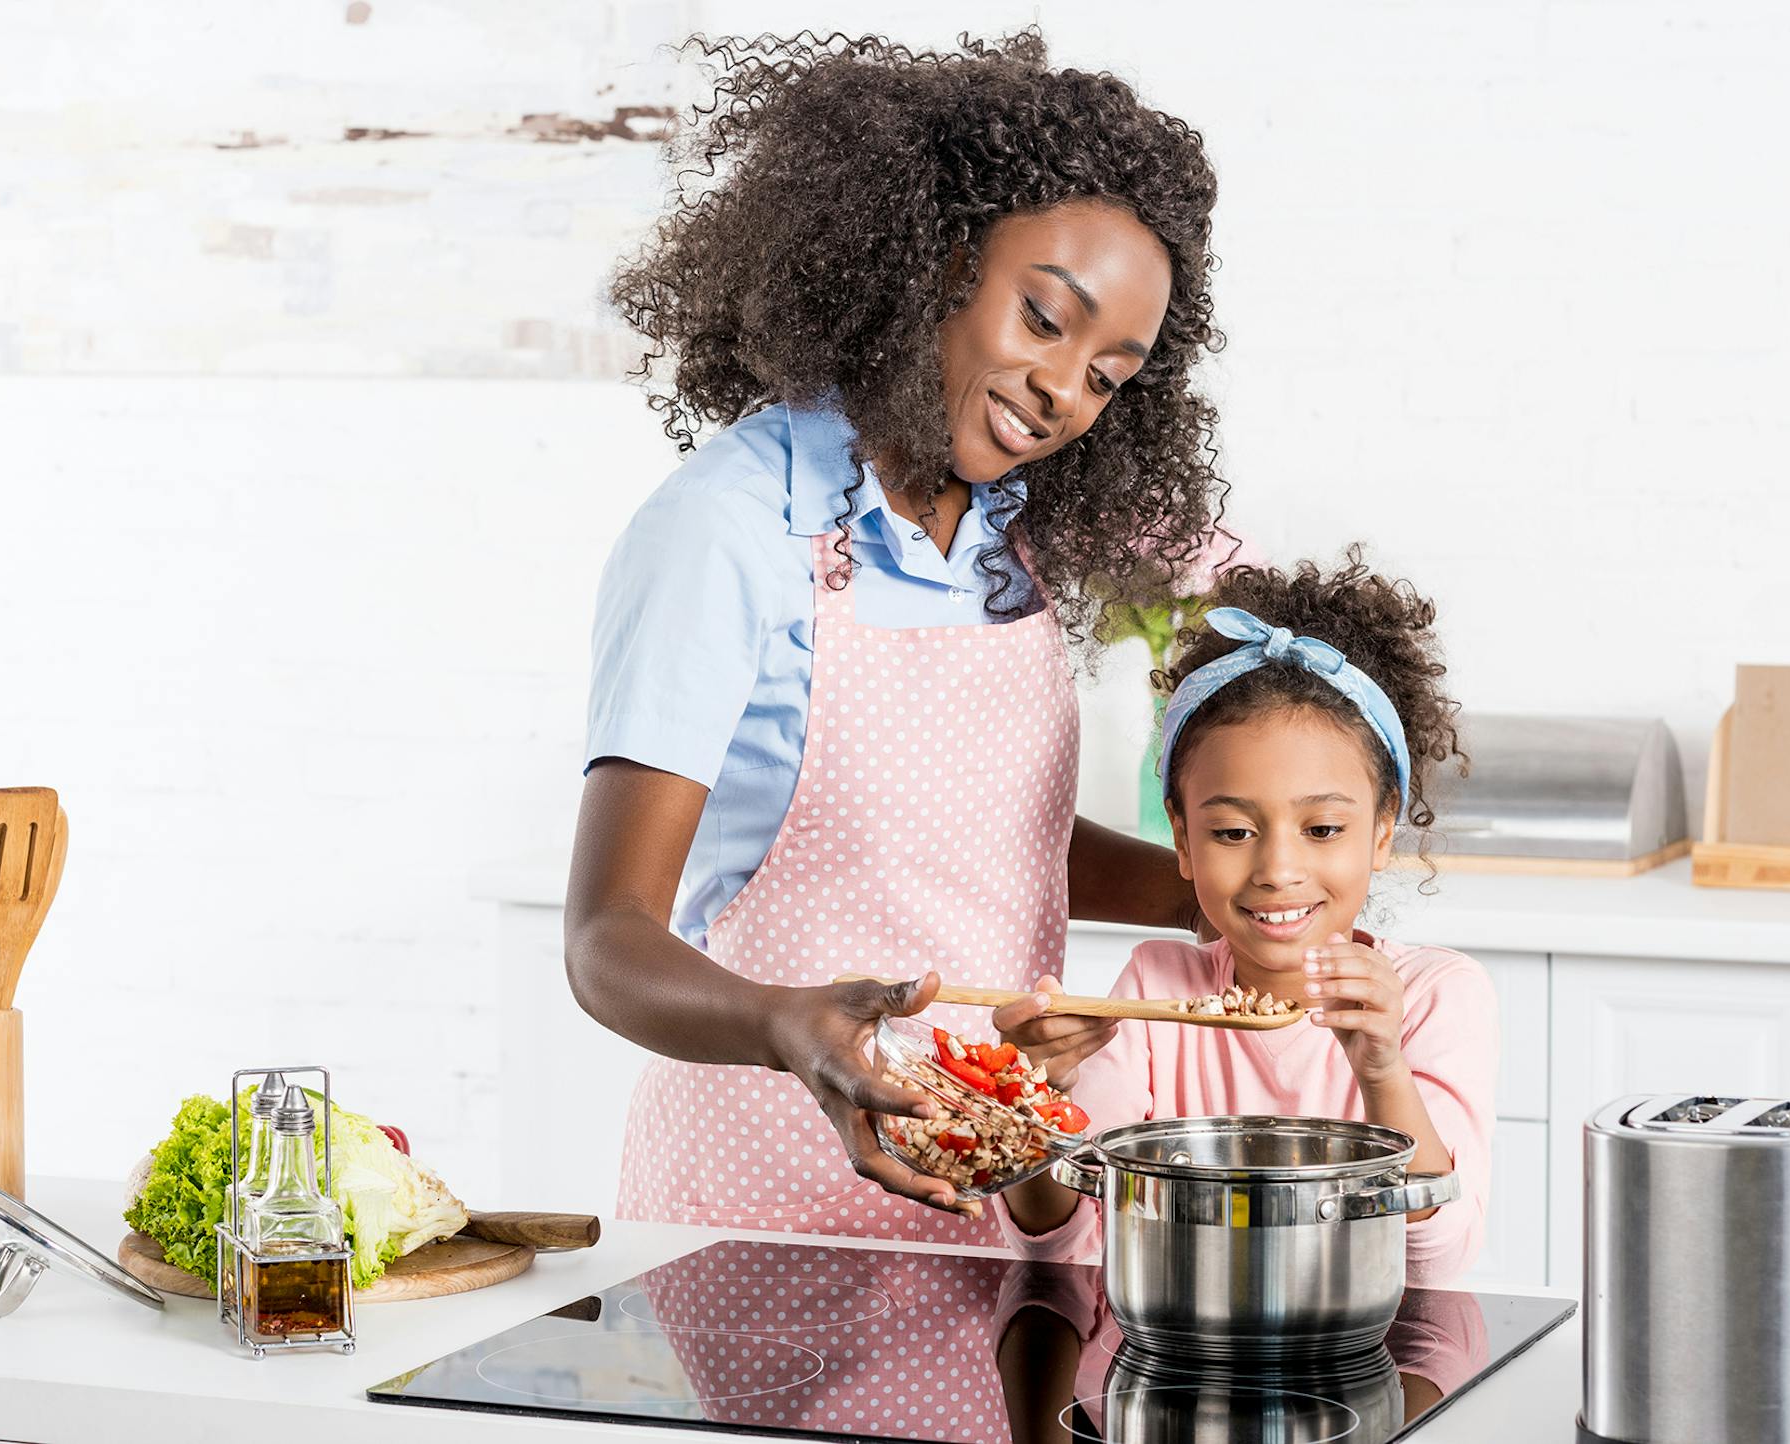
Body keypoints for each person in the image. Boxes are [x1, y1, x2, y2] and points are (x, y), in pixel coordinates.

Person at [564, 29, 1230, 1244]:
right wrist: (784, 1027)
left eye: (1109, 375)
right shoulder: (730, 527)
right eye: (1043, 319)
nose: (1062, 391)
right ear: (934, 260)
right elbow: (608, 940)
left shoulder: (1007, 533)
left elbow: (982, 839)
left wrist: (1222, 891)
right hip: (770, 1207)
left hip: (1000, 1183)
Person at [998, 550, 1497, 1283]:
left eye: (1322, 829)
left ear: (1382, 832)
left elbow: (1437, 1255)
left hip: (1365, 1359)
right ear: (1183, 839)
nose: (1277, 870)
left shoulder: (1433, 996)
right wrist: (1032, 1103)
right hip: (1175, 1352)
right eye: (1233, 832)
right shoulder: (1155, 990)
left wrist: (1383, 1068)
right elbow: (1062, 1240)